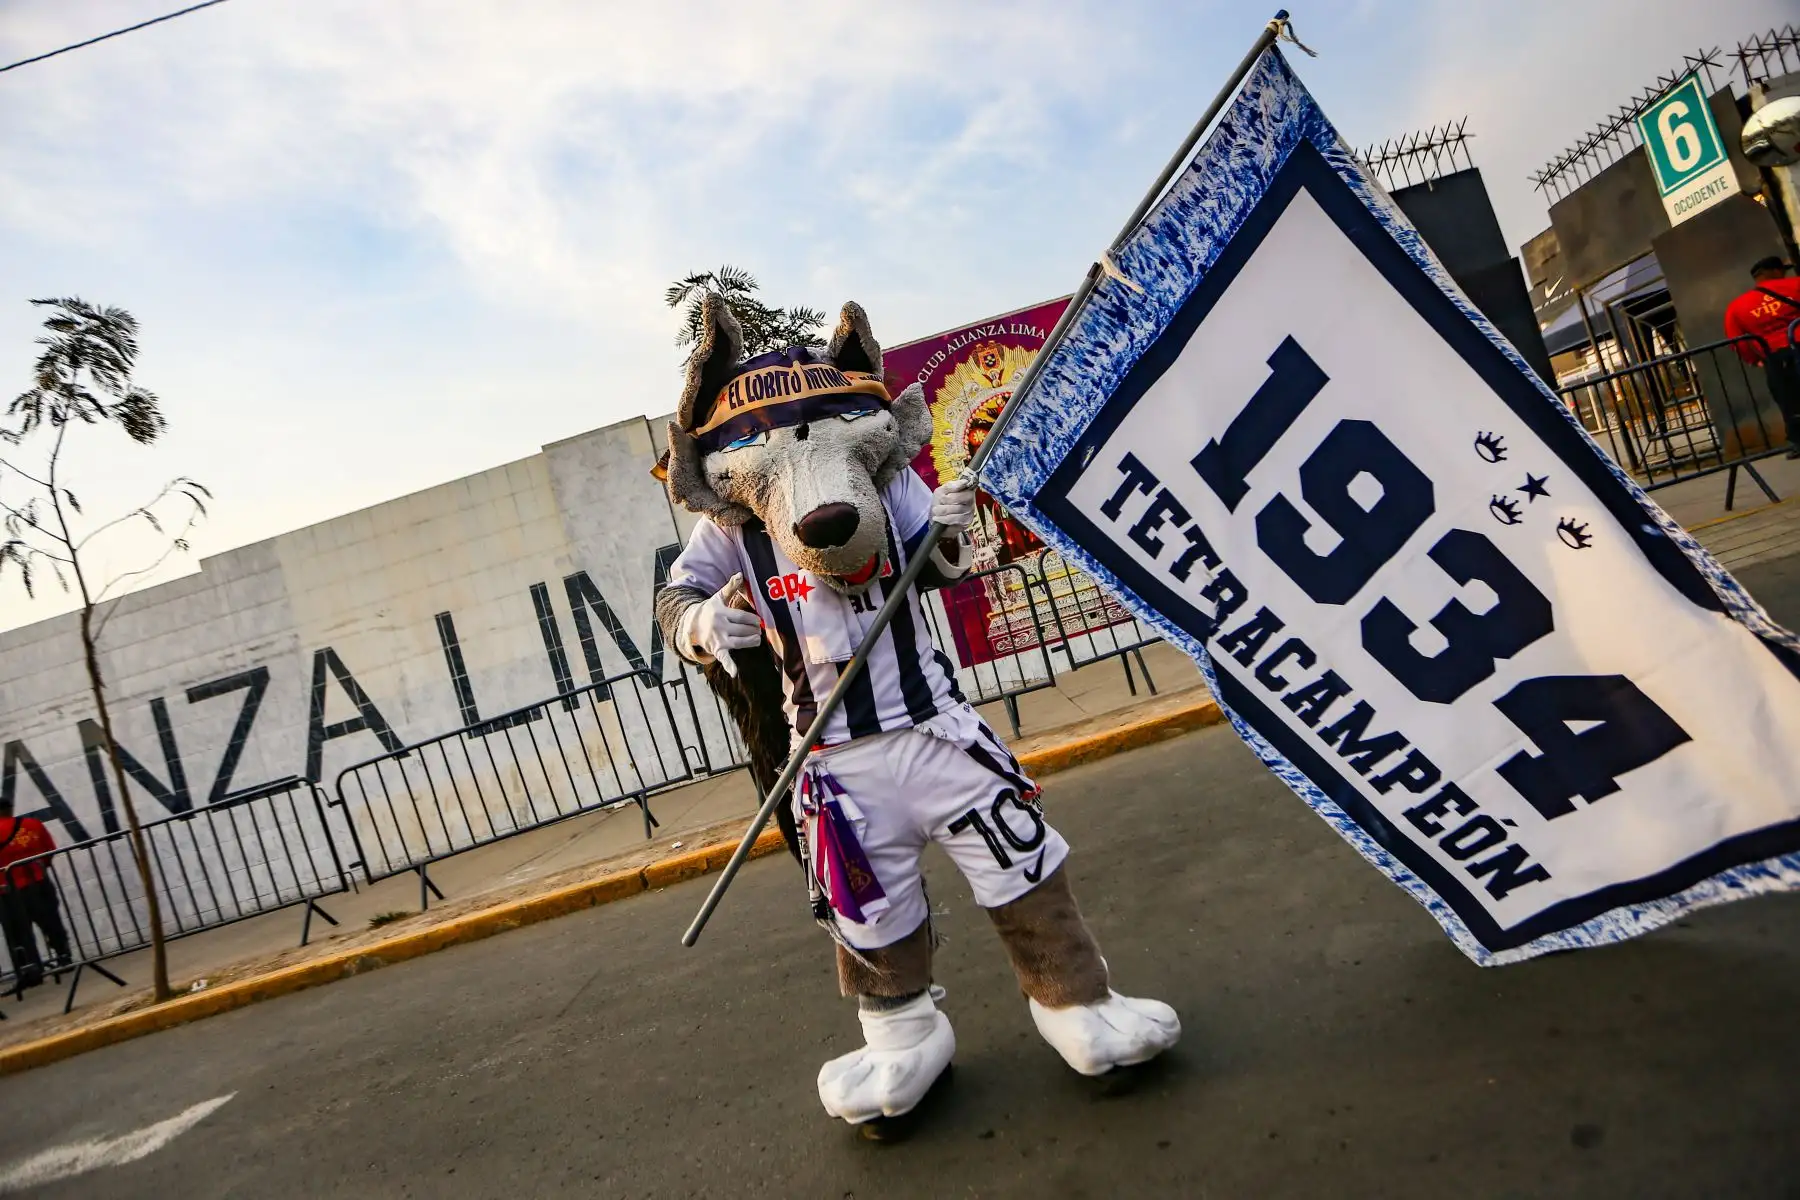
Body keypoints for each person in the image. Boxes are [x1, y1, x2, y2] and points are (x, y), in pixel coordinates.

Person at [655, 296, 1178, 1134]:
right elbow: (675, 598)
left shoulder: (890, 482)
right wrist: (702, 624)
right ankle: (902, 1037)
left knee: (1021, 863)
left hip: (934, 725)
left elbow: (937, 566)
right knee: (868, 912)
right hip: (831, 758)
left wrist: (947, 529)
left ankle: (1077, 1001)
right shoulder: (730, 532)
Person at [1724, 256, 1800, 457]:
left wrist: (1754, 359)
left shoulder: (1737, 306)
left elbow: (1737, 341)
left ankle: (1799, 441)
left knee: (1788, 400)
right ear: (1774, 271)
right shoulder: (1796, 285)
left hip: (1775, 357)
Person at [0, 798, 72, 988]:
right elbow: (49, 850)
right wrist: (40, 870)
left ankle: (31, 970)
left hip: (8, 890)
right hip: (39, 883)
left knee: (19, 933)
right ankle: (64, 957)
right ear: (10, 808)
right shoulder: (33, 824)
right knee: (51, 922)